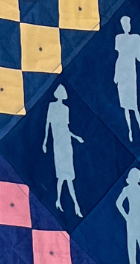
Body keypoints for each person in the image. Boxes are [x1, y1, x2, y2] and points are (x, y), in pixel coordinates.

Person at [43, 84, 84, 217]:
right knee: (62, 174)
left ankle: (68, 203)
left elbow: (66, 128)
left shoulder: (66, 109)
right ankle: (67, 202)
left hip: (66, 142)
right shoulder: (52, 106)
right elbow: (48, 124)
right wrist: (45, 141)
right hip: (58, 142)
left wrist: (76, 137)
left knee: (67, 175)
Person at [114, 16, 140, 144]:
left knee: (134, 105)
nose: (126, 26)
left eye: (128, 23)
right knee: (125, 106)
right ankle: (130, 131)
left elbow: (139, 57)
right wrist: (116, 74)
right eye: (124, 24)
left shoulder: (135, 38)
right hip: (122, 71)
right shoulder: (119, 38)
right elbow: (119, 56)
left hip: (130, 72)